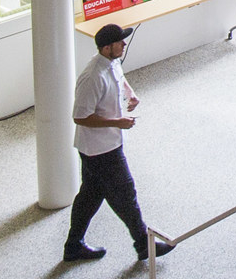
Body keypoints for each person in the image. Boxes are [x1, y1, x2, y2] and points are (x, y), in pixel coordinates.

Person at [63, 23, 175, 264]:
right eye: (120, 42)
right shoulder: (92, 77)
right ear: (106, 47)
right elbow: (80, 116)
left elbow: (119, 78)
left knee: (90, 196)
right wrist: (117, 122)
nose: (124, 44)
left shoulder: (111, 62)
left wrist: (130, 93)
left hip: (106, 144)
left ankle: (73, 246)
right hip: (99, 150)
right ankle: (144, 245)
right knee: (126, 193)